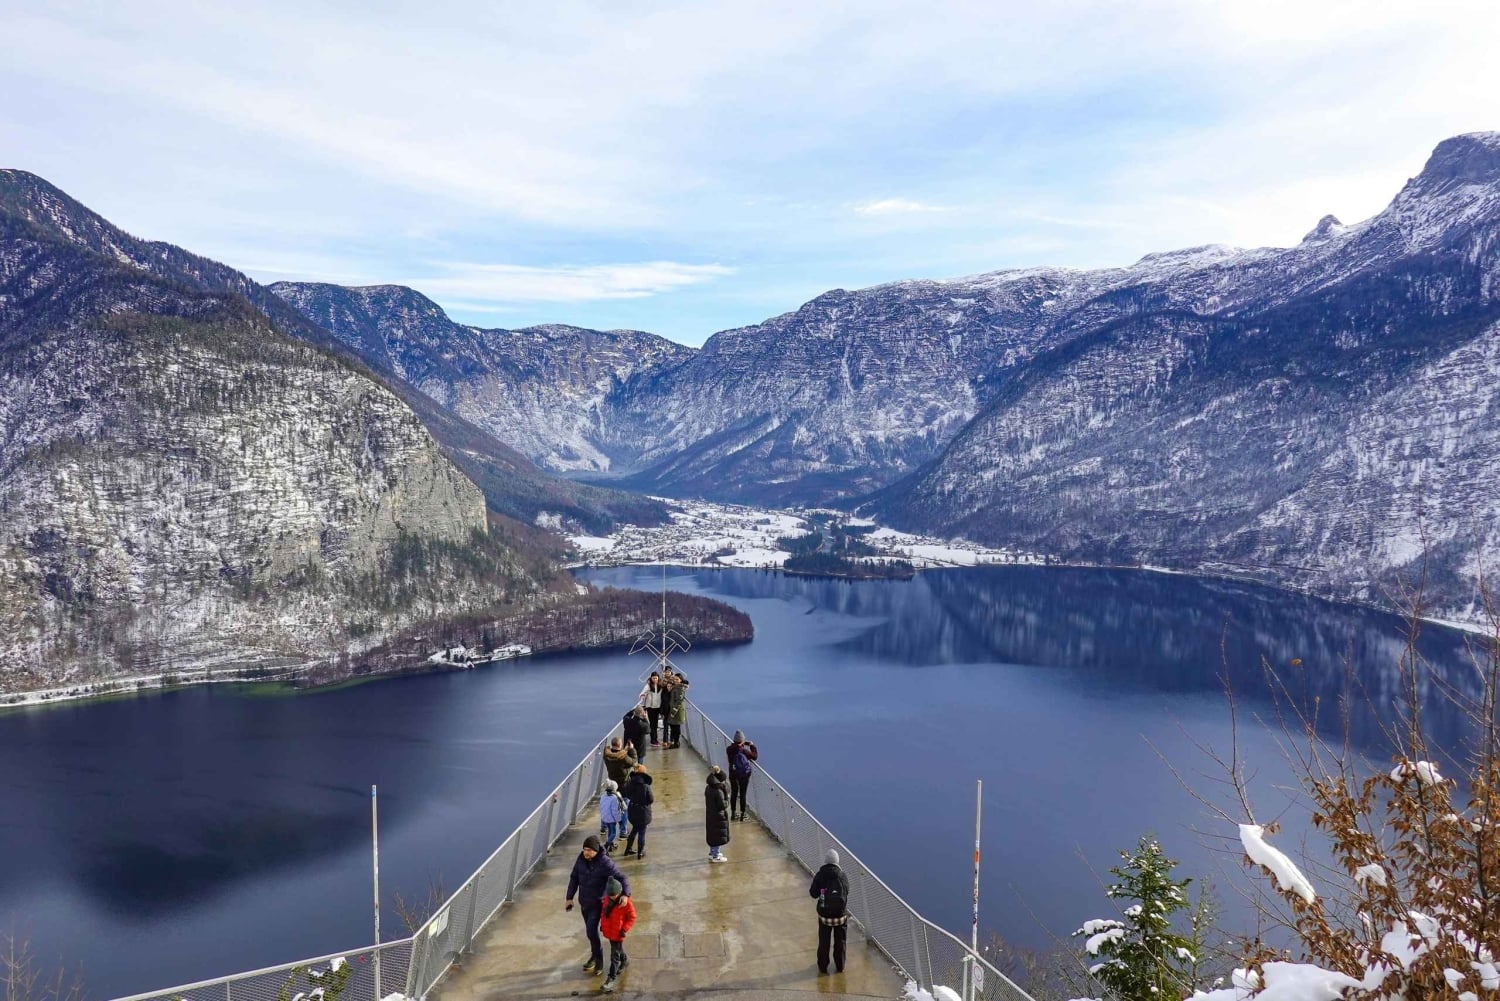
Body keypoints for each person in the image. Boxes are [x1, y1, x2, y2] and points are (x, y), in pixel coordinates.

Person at [565, 835, 630, 975]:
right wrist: (569, 897)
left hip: (597, 903)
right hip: (584, 902)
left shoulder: (604, 862)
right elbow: (574, 877)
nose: (586, 852)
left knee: (591, 932)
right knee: (591, 934)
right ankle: (595, 956)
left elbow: (622, 877)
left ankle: (599, 960)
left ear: (595, 851)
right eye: (584, 849)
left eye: (589, 850)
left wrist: (625, 894)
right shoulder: (581, 859)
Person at [809, 849, 850, 974]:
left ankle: (823, 966)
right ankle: (840, 965)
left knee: (824, 942)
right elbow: (847, 891)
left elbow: (813, 893)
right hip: (840, 916)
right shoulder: (842, 876)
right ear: (837, 861)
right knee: (840, 942)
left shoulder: (820, 875)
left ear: (826, 861)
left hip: (824, 916)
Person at [598, 876, 636, 993]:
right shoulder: (606, 899)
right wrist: (602, 925)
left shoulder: (626, 903)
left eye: (615, 895)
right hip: (609, 932)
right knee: (618, 950)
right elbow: (603, 914)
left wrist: (624, 929)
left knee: (614, 956)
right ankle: (624, 960)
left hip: (618, 933)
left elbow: (632, 917)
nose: (613, 897)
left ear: (620, 892)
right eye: (611, 895)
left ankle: (611, 979)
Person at [622, 763, 653, 859]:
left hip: (633, 809)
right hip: (643, 812)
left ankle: (628, 849)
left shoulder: (629, 783)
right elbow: (651, 799)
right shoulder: (645, 786)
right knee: (642, 832)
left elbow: (626, 794)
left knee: (634, 829)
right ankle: (640, 853)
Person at [726, 730, 758, 821]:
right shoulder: (744, 751)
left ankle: (733, 814)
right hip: (744, 775)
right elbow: (755, 756)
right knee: (742, 794)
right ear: (742, 741)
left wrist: (743, 743)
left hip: (733, 774)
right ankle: (742, 815)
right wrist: (751, 745)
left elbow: (735, 746)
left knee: (734, 793)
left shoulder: (729, 749)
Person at [704, 765, 730, 863]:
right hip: (717, 816)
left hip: (710, 814)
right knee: (717, 835)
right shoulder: (718, 791)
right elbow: (722, 805)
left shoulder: (709, 787)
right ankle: (715, 856)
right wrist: (727, 798)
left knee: (713, 834)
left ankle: (713, 853)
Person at [598, 780, 625, 854]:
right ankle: (605, 846)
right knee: (613, 833)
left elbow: (601, 807)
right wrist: (619, 820)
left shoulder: (603, 796)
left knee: (610, 831)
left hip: (605, 818)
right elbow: (615, 812)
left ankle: (611, 844)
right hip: (611, 819)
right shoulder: (614, 798)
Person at [638, 672, 664, 746]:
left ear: (658, 678)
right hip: (651, 707)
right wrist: (643, 696)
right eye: (653, 678)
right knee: (653, 725)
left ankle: (655, 739)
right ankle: (653, 741)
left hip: (658, 707)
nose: (655, 679)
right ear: (651, 678)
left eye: (656, 678)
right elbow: (642, 693)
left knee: (655, 724)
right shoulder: (648, 685)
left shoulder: (660, 685)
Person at [665, 671, 690, 747]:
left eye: (677, 679)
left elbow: (679, 701)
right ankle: (674, 742)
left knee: (676, 727)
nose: (675, 681)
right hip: (673, 709)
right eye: (674, 679)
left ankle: (676, 743)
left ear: (680, 680)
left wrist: (673, 712)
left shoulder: (680, 688)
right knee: (673, 726)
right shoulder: (676, 686)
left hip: (677, 711)